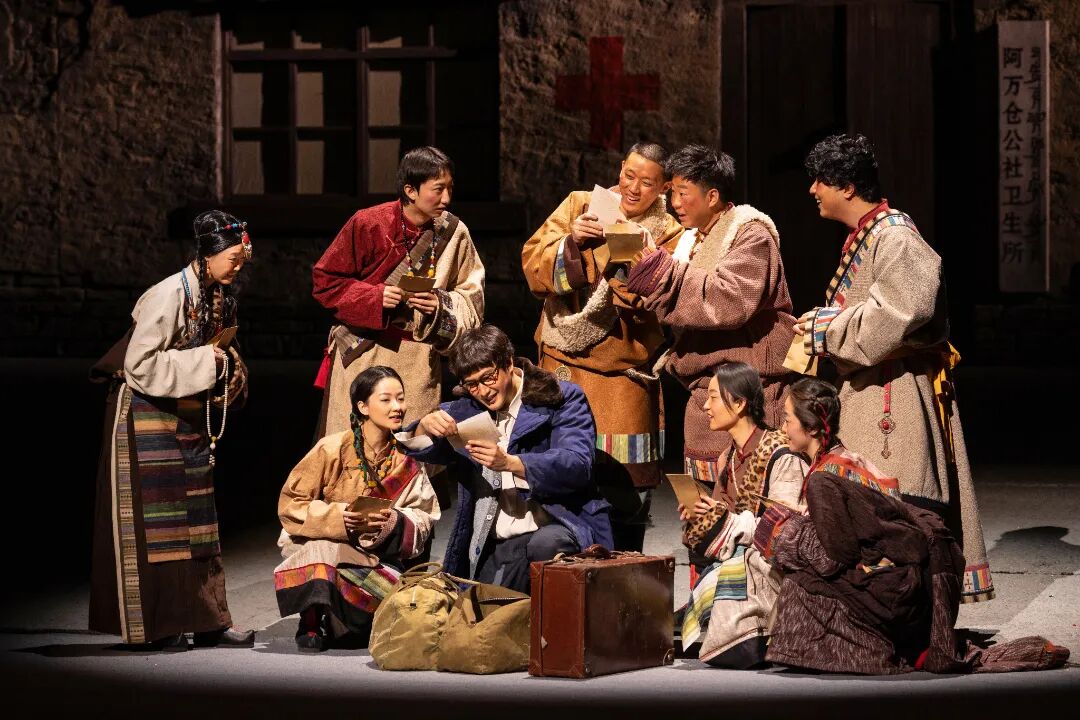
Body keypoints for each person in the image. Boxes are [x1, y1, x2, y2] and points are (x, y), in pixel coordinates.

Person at [792, 133, 992, 603]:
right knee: (870, 505)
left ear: (847, 187)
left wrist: (826, 327)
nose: (812, 189)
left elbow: (905, 309)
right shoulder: (869, 234)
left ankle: (910, 608)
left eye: (820, 180)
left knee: (899, 502)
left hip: (896, 391)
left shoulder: (895, 236)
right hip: (870, 384)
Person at [761, 378, 1069, 674]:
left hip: (894, 591)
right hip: (908, 581)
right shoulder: (846, 459)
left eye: (787, 420)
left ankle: (879, 649)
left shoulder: (826, 478)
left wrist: (783, 532)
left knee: (799, 581)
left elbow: (837, 556)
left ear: (813, 427)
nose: (782, 428)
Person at [89, 210, 255, 650]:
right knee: (161, 525)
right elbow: (139, 364)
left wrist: (226, 365)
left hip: (183, 410)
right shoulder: (167, 294)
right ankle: (159, 625)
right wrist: (205, 361)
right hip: (145, 411)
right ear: (209, 254)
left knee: (198, 518)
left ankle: (208, 620)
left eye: (242, 260)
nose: (238, 267)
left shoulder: (213, 294)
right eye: (233, 258)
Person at [521, 142, 683, 551]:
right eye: (629, 175)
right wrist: (572, 242)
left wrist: (636, 257)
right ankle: (559, 570)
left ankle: (624, 571)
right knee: (557, 477)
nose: (633, 188)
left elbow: (662, 303)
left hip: (622, 377)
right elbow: (532, 262)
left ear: (663, 187)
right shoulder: (580, 204)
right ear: (620, 167)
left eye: (647, 183)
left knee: (625, 493)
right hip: (562, 364)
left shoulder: (670, 232)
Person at [397, 325, 612, 593]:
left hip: (559, 525)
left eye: (488, 378)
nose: (483, 391)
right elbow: (427, 448)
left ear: (508, 363)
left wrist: (512, 463)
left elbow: (577, 463)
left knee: (545, 547)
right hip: (497, 539)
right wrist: (424, 427)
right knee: (481, 608)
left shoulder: (559, 397)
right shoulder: (468, 409)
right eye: (472, 384)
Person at [627, 145, 796, 483]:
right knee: (704, 503)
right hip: (703, 395)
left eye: (683, 193)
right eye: (672, 193)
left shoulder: (751, 235)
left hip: (748, 394)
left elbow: (729, 300)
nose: (674, 203)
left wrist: (663, 274)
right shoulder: (692, 241)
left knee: (750, 496)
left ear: (713, 196)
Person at [312, 146, 485, 437]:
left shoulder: (455, 233)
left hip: (417, 362)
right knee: (355, 445)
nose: (446, 199)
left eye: (450, 189)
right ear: (410, 190)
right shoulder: (368, 223)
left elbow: (472, 295)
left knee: (413, 446)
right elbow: (325, 281)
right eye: (438, 189)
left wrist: (440, 306)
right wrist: (374, 297)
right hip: (364, 353)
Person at [275, 366, 440, 652]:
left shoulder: (406, 457)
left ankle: (341, 618)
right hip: (330, 549)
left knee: (365, 629)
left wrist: (394, 522)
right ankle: (312, 620)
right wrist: (337, 518)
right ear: (362, 407)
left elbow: (425, 513)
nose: (397, 407)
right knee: (323, 550)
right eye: (386, 399)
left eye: (400, 399)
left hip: (377, 559)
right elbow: (291, 504)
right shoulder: (332, 449)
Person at [678, 362, 807, 668]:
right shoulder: (729, 457)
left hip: (773, 569)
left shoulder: (781, 455)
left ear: (738, 404)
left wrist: (727, 523)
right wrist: (701, 515)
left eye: (713, 397)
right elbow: (722, 516)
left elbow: (786, 531)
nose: (705, 406)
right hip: (739, 559)